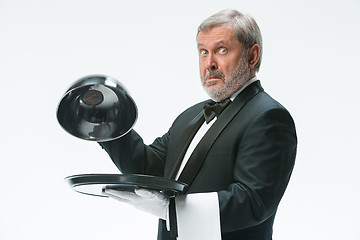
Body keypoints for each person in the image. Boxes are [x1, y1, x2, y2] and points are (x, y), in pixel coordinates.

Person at [99, 9, 297, 240]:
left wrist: (171, 210)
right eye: (203, 52)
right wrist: (109, 127)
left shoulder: (268, 116)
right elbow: (150, 171)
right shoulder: (190, 115)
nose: (209, 63)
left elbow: (253, 201)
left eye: (221, 50)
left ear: (252, 56)